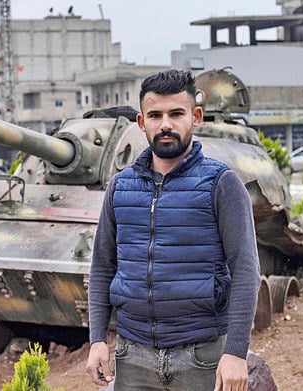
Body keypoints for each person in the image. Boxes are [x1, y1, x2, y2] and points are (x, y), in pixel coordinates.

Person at [85, 69, 261, 391]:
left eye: (176, 113)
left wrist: (235, 352)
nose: (165, 124)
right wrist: (97, 339)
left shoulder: (221, 183)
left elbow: (246, 271)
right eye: (155, 115)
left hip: (202, 356)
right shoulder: (120, 187)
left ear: (195, 117)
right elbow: (102, 268)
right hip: (132, 357)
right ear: (142, 122)